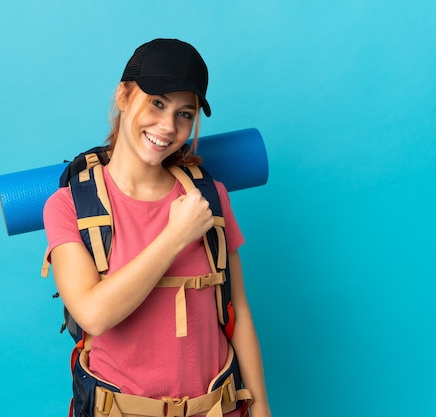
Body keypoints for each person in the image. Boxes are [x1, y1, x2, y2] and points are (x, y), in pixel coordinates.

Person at [43, 38, 272, 417]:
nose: (168, 126)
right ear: (123, 95)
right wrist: (176, 235)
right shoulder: (69, 206)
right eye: (157, 103)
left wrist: (261, 407)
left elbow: (239, 309)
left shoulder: (210, 198)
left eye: (185, 113)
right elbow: (93, 314)